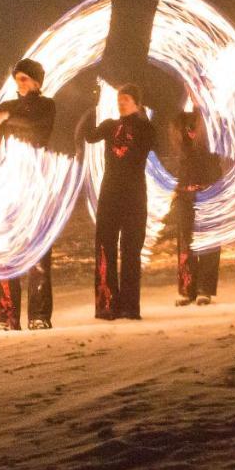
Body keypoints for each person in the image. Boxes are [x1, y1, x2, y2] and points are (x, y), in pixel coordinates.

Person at [0, 58, 56, 330]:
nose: (19, 83)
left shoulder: (46, 106)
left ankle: (39, 315)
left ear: (37, 81)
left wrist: (6, 118)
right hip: (11, 184)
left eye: (25, 78)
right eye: (17, 78)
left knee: (37, 252)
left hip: (36, 185)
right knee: (7, 253)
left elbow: (36, 126)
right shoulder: (8, 107)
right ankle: (6, 315)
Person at [79, 83, 156, 319]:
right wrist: (91, 107)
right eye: (119, 99)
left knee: (131, 250)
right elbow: (88, 135)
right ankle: (107, 304)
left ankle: (130, 307)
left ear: (137, 103)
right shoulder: (109, 125)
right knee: (105, 247)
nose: (121, 102)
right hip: (110, 194)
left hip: (133, 194)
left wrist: (135, 120)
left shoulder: (146, 127)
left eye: (126, 99)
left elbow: (146, 146)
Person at [168, 109, 223, 306]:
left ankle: (205, 289)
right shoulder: (179, 120)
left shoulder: (213, 118)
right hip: (185, 189)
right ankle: (187, 289)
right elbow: (179, 146)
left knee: (208, 239)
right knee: (185, 239)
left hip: (209, 189)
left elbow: (214, 142)